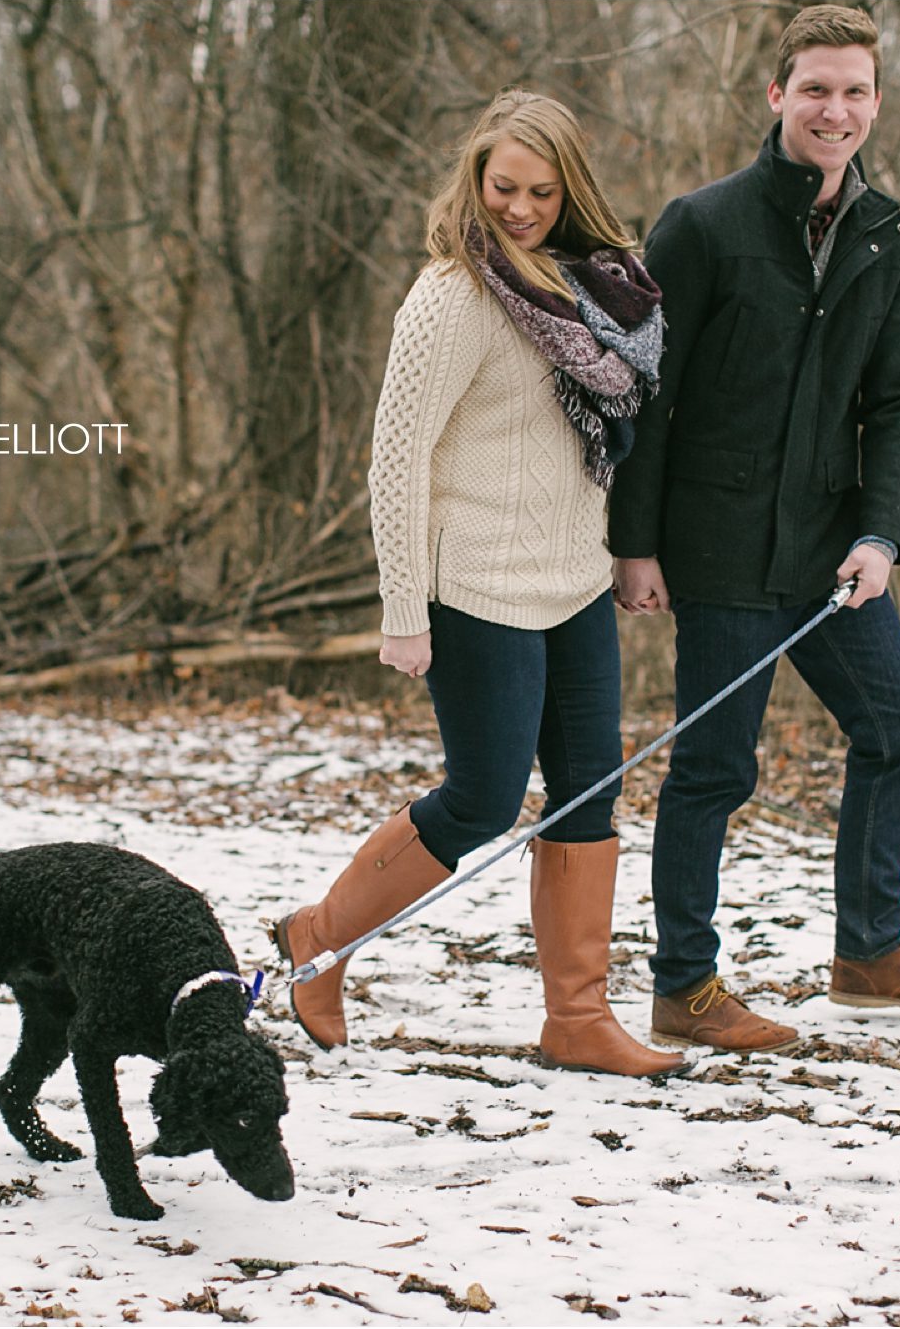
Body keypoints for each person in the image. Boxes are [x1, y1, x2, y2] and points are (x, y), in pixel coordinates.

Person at [609, 5, 900, 1053]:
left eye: (855, 91)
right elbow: (649, 394)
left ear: (875, 103)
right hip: (722, 543)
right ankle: (682, 984)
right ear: (776, 95)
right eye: (816, 88)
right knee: (714, 769)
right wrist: (633, 544)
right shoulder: (701, 225)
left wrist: (881, 535)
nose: (836, 109)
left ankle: (868, 952)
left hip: (835, 553)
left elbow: (898, 400)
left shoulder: (887, 233)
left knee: (898, 725)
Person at [275, 89, 683, 1078]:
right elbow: (395, 461)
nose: (518, 208)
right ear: (474, 179)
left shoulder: (592, 291)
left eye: (541, 191)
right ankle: (317, 943)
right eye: (502, 187)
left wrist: (627, 551)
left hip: (572, 581)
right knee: (483, 797)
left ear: (568, 191)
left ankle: (576, 1017)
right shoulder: (450, 297)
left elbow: (610, 444)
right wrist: (401, 608)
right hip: (474, 588)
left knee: (591, 790)